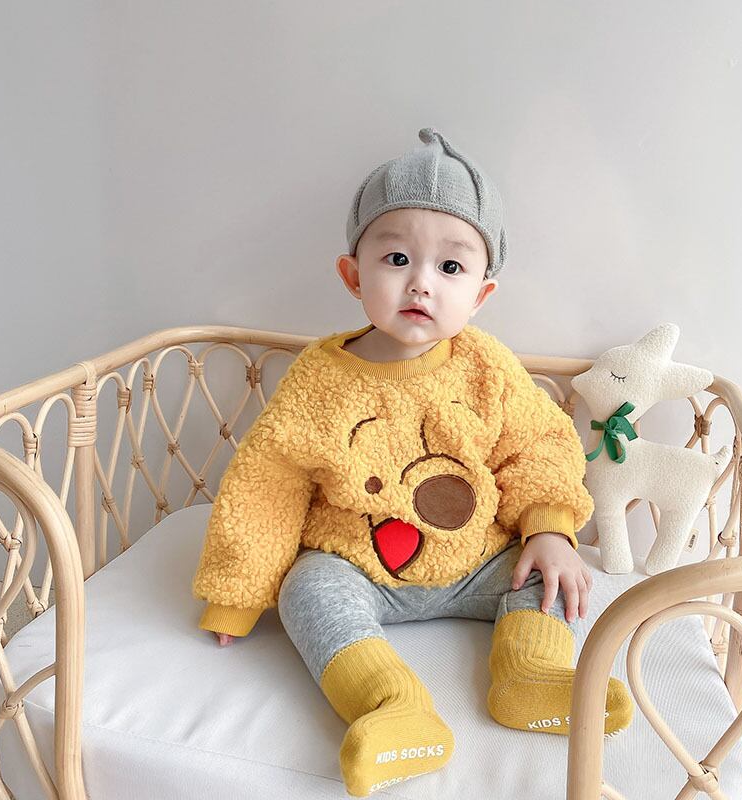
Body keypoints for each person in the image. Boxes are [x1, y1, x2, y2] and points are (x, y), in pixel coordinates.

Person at [191, 127, 633, 797]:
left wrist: (549, 528)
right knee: (307, 589)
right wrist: (236, 593)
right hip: (359, 567)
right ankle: (390, 704)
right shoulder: (319, 379)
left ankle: (530, 675)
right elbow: (267, 483)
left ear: (480, 294)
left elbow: (539, 444)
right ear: (353, 275)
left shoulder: (486, 367)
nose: (421, 283)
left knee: (552, 575)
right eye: (397, 258)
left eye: (450, 268)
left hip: (478, 561)